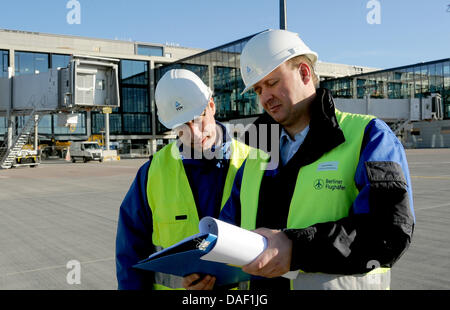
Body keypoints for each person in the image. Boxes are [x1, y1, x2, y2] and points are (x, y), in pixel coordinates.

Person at [186, 29, 415, 290]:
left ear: (305, 73)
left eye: (271, 83)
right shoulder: (257, 152)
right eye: (258, 89)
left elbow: (389, 231)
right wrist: (208, 271)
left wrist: (296, 248)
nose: (264, 98)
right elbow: (231, 231)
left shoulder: (369, 137)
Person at [115, 69, 251, 290]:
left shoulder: (252, 164)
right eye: (182, 127)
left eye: (199, 119)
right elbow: (130, 254)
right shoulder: (151, 173)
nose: (195, 134)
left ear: (212, 106)